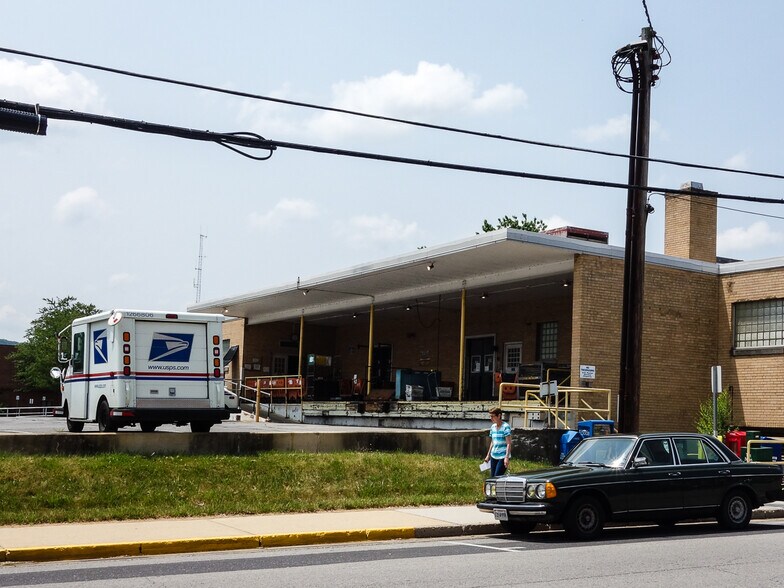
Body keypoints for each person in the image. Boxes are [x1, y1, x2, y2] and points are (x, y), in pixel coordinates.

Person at [484, 407, 512, 476]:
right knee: (492, 477)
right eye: (490, 416)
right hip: (494, 455)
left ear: (499, 416)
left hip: (502, 456)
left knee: (497, 476)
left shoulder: (505, 427)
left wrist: (506, 457)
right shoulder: (493, 427)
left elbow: (509, 443)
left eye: (493, 416)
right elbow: (492, 442)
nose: (491, 418)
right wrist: (488, 455)